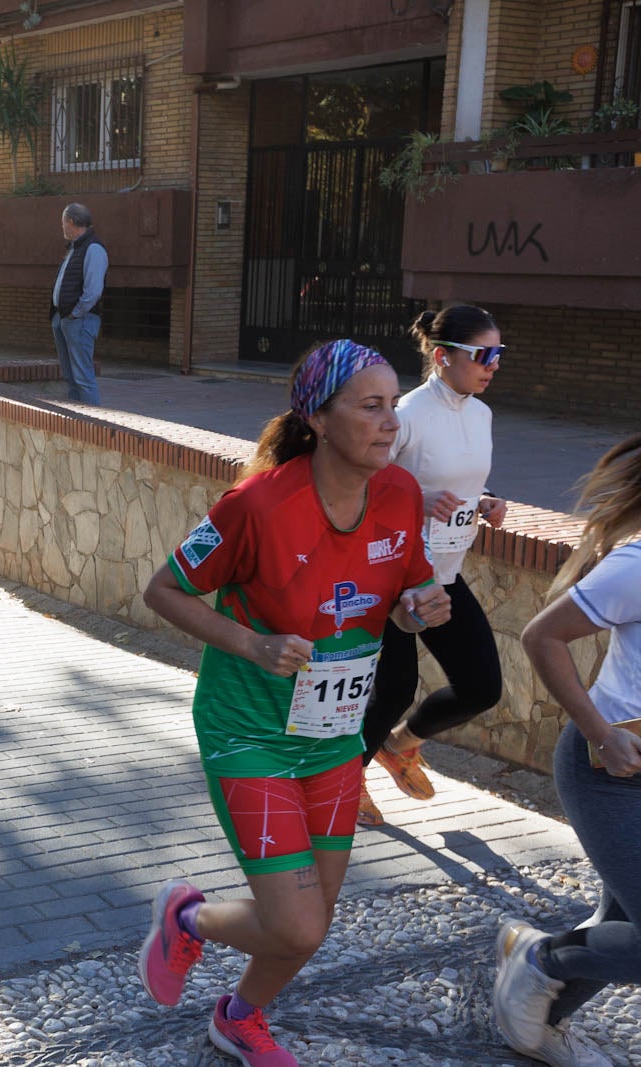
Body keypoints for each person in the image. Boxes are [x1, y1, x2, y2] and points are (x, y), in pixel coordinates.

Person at [138, 339, 449, 1066]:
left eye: (391, 405)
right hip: (248, 728)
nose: (389, 422)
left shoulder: (399, 493)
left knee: (315, 915)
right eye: (370, 406)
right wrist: (252, 644)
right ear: (318, 417)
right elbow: (163, 590)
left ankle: (239, 1015)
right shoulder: (257, 505)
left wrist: (418, 607)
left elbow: (401, 595)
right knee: (300, 924)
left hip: (334, 732)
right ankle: (187, 915)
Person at [500, 433, 641, 1067]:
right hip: (610, 769)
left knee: (621, 921)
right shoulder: (638, 565)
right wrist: (600, 732)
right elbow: (542, 636)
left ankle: (537, 1016)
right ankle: (536, 960)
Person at [358, 305, 508, 825]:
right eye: (483, 354)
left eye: (498, 355)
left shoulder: (481, 414)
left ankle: (399, 747)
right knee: (395, 687)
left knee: (481, 687)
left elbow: (459, 475)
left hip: (443, 573)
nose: (492, 365)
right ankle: (340, 783)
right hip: (391, 576)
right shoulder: (408, 414)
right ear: (442, 357)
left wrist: (486, 498)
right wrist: (416, 500)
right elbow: (361, 483)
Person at [50, 202, 106, 406]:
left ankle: (93, 424)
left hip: (79, 320)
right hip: (64, 318)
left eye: (62, 223)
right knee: (70, 376)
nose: (62, 227)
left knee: (83, 377)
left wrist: (75, 313)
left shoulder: (93, 249)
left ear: (71, 222)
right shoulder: (75, 248)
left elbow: (93, 291)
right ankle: (75, 419)